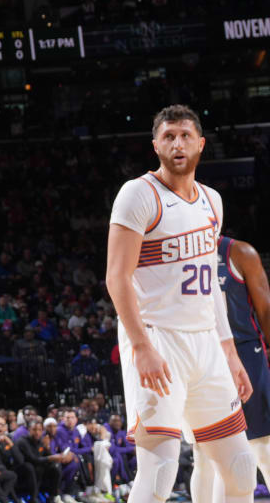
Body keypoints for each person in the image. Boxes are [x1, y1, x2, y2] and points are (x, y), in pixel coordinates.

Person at [105, 105, 255, 503]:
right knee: (159, 474)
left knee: (241, 471)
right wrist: (140, 347)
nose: (177, 143)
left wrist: (231, 352)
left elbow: (212, 289)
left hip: (206, 343)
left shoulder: (212, 201)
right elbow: (116, 277)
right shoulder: (138, 194)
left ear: (201, 144)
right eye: (168, 136)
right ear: (155, 145)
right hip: (158, 340)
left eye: (185, 135)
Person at [195, 233, 270, 503]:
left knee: (263, 447)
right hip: (202, 357)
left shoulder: (239, 253)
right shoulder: (179, 253)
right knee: (205, 456)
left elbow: (265, 309)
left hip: (245, 353)